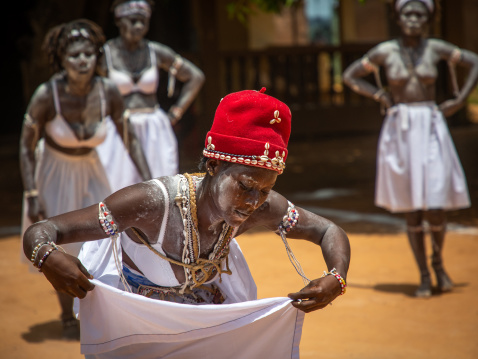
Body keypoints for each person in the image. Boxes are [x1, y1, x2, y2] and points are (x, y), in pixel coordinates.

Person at [23, 88, 350, 357]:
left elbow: (328, 231)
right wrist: (47, 256)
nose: (253, 202)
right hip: (136, 325)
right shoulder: (152, 204)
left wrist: (336, 277)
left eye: (266, 191)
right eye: (246, 187)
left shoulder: (262, 205)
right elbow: (42, 232)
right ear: (213, 164)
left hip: (201, 318)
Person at [342, 0, 478, 297]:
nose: (414, 19)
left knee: (435, 204)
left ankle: (438, 262)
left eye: (420, 13)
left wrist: (459, 101)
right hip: (400, 129)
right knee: (411, 207)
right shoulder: (385, 51)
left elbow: (477, 63)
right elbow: (350, 75)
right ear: (397, 16)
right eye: (408, 12)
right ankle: (423, 274)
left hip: (431, 125)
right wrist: (380, 94)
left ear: (428, 19)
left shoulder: (436, 48)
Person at [19, 19, 152, 338]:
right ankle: (67, 315)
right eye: (75, 55)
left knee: (103, 235)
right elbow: (25, 147)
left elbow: (129, 138)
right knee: (62, 242)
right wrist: (32, 193)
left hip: (93, 171)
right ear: (61, 59)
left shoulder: (108, 91)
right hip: (55, 173)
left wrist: (151, 184)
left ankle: (95, 308)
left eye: (89, 54)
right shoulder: (46, 95)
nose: (83, 61)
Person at [97, 0, 205, 192]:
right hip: (118, 129)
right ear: (119, 21)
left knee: (160, 188)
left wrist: (176, 113)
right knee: (117, 189)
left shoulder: (155, 51)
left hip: (154, 130)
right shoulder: (104, 55)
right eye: (133, 20)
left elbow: (195, 77)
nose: (139, 26)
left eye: (143, 22)